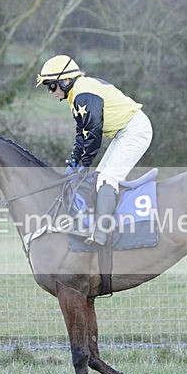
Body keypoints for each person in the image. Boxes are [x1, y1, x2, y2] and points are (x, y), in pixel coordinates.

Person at [36, 55, 153, 245]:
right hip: (124, 131)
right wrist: (74, 161)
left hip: (135, 130)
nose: (51, 91)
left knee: (107, 178)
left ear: (66, 80)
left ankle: (101, 233)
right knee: (99, 178)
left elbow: (93, 134)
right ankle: (91, 225)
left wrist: (84, 165)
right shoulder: (76, 94)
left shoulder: (84, 94)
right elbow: (81, 134)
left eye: (51, 85)